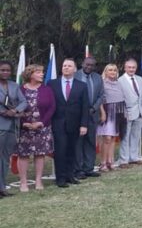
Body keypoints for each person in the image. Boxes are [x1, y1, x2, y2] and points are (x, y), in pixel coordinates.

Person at [48, 59, 89, 188]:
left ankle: (70, 176)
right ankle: (60, 178)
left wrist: (84, 125)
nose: (66, 67)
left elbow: (85, 107)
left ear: (75, 69)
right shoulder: (52, 84)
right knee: (60, 151)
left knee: (72, 150)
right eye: (64, 65)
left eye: (69, 66)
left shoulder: (81, 85)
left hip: (75, 124)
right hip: (58, 123)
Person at [16, 65, 55, 192]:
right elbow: (15, 107)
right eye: (38, 72)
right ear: (30, 74)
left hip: (42, 128)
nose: (42, 74)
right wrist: (23, 123)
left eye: (42, 72)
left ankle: (38, 181)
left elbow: (52, 108)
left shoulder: (47, 89)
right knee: (23, 155)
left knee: (40, 154)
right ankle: (23, 182)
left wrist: (42, 123)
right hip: (24, 129)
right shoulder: (20, 89)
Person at [0, 61, 27, 196]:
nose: (5, 72)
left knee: (5, 158)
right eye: (2, 70)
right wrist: (3, 112)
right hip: (1, 124)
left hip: (12, 126)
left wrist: (15, 111)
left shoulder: (14, 85)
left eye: (8, 70)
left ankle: (2, 187)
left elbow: (24, 102)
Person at [74, 56, 103, 179]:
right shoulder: (75, 76)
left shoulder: (98, 77)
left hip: (92, 114)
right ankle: (78, 169)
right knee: (78, 143)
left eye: (92, 65)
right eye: (87, 64)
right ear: (82, 64)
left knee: (90, 142)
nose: (89, 67)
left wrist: (94, 108)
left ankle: (89, 168)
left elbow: (101, 95)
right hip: (78, 115)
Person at [96, 63, 126, 171]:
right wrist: (102, 113)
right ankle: (103, 163)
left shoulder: (119, 83)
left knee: (113, 138)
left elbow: (123, 98)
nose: (112, 72)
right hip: (107, 112)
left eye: (114, 70)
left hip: (118, 112)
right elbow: (99, 99)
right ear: (105, 72)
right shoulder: (101, 83)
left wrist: (124, 113)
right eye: (110, 70)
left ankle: (110, 162)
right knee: (107, 138)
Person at [118, 58, 142, 166]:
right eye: (129, 67)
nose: (131, 69)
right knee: (125, 137)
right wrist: (123, 112)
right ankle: (124, 160)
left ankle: (134, 157)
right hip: (126, 113)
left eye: (133, 67)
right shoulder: (120, 80)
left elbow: (141, 96)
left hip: (139, 112)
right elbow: (120, 99)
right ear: (125, 68)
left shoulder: (140, 79)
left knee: (136, 136)